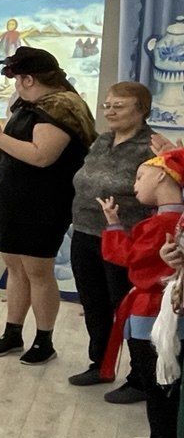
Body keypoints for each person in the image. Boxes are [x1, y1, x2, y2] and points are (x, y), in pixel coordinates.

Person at [0, 47, 96, 365]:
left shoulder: (60, 107)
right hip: (13, 199)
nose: (16, 85)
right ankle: (13, 332)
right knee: (15, 267)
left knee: (38, 271)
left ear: (29, 79)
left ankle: (44, 339)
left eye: (17, 78)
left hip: (42, 204)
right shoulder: (30, 105)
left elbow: (42, 155)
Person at [68, 81, 161, 402]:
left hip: (126, 238)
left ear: (142, 110)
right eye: (107, 105)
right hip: (85, 232)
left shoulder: (151, 146)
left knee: (128, 308)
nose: (110, 111)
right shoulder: (102, 140)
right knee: (93, 303)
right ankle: (101, 365)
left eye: (119, 106)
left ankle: (140, 378)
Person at [98, 149, 184, 438]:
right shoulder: (170, 220)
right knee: (162, 380)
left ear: (162, 175)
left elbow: (128, 257)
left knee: (158, 381)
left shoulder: (162, 223)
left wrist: (113, 225)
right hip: (159, 307)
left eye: (140, 176)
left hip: (154, 310)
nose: (135, 185)